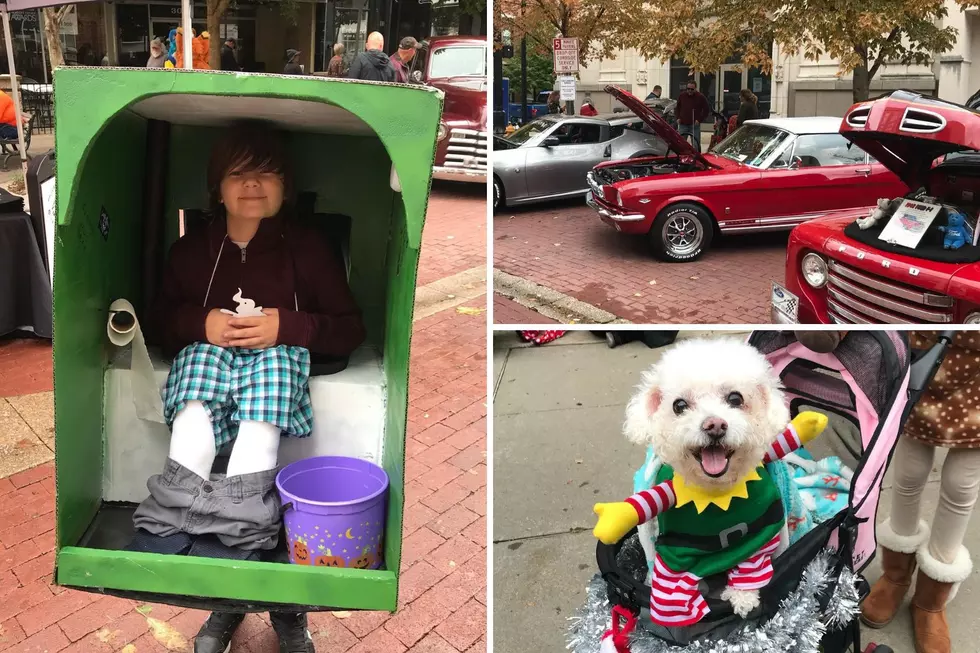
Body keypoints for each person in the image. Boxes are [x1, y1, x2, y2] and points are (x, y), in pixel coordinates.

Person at [128, 121, 365, 653]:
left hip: (275, 370)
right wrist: (203, 324)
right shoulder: (191, 250)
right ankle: (179, 526)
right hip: (210, 364)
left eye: (267, 174)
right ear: (217, 186)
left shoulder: (309, 250)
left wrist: (288, 327)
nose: (253, 185)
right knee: (192, 407)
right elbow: (161, 319)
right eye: (239, 174)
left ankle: (262, 607)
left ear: (285, 186)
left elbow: (350, 326)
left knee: (260, 426)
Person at [859, 332, 979, 653]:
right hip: (928, 347)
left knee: (961, 483)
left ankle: (930, 601)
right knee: (909, 472)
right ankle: (896, 575)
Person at [675, 80, 710, 152]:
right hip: (683, 124)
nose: (690, 91)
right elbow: (677, 108)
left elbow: (706, 109)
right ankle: (681, 158)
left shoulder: (700, 97)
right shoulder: (682, 96)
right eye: (688, 89)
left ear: (695, 89)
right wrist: (678, 117)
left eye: (692, 89)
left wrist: (700, 119)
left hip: (694, 125)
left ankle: (697, 159)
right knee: (681, 144)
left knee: (696, 145)